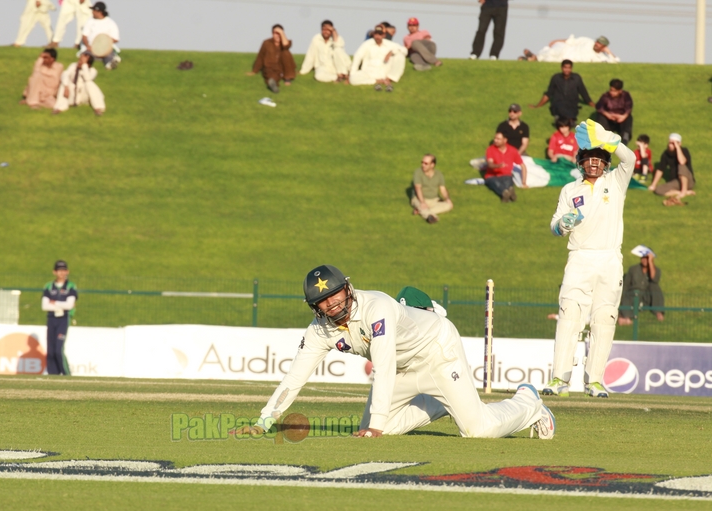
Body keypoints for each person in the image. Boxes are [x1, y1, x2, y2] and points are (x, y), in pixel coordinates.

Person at [231, 265, 555, 439]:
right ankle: (444, 403)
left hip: (436, 353)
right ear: (316, 307)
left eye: (336, 294)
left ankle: (529, 403)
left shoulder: (378, 307)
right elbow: (295, 376)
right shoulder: (320, 330)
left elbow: (382, 367)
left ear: (347, 288)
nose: (333, 303)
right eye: (323, 301)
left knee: (477, 431)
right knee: (382, 428)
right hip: (402, 371)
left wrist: (375, 426)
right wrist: (264, 421)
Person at [544, 119, 636, 399]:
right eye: (588, 158)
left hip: (609, 259)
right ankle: (559, 378)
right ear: (580, 162)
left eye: (599, 159)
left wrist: (609, 139)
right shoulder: (570, 190)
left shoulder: (616, 182)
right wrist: (563, 224)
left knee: (604, 318)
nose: (594, 163)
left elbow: (630, 158)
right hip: (580, 258)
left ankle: (594, 381)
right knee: (570, 314)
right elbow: (554, 225)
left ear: (606, 163)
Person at [42, 260, 78, 376]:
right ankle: (53, 375)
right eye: (59, 270)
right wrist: (61, 304)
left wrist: (54, 302)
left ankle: (67, 375)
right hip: (51, 318)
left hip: (63, 318)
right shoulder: (48, 286)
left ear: (67, 271)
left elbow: (70, 304)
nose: (61, 273)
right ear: (54, 272)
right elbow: (44, 306)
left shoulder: (70, 286)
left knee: (58, 349)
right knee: (51, 350)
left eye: (64, 270)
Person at [349, 25, 407, 91]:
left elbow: (404, 50)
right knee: (353, 79)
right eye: (376, 34)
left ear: (384, 35)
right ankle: (376, 81)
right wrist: (352, 73)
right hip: (368, 72)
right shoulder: (367, 43)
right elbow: (358, 56)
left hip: (384, 72)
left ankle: (390, 79)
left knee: (400, 55)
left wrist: (391, 52)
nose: (377, 36)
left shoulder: (390, 44)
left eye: (380, 34)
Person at [647, 133, 695, 206]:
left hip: (688, 180)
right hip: (676, 181)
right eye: (670, 143)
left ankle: (684, 191)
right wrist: (653, 185)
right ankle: (682, 192)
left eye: (673, 143)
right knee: (658, 190)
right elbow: (660, 170)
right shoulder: (666, 154)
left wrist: (677, 148)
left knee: (681, 166)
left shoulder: (684, 151)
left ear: (679, 144)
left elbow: (682, 161)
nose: (671, 145)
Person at [618, 251, 664, 325]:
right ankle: (625, 317)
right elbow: (626, 284)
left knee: (655, 287)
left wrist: (650, 262)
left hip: (646, 295)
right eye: (643, 258)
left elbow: (654, 279)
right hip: (634, 293)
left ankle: (658, 312)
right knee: (629, 295)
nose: (644, 260)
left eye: (647, 258)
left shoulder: (655, 270)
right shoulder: (633, 269)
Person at [248, 24, 297, 94]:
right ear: (272, 34)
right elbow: (260, 57)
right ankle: (273, 85)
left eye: (279, 33)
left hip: (283, 68)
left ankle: (287, 78)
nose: (277, 35)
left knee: (286, 52)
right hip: (270, 68)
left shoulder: (286, 42)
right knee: (271, 77)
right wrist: (254, 71)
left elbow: (286, 46)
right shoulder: (266, 43)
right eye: (275, 33)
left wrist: (281, 33)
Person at [410, 154, 452, 224]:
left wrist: (447, 199)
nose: (423, 165)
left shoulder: (438, 174)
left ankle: (420, 211)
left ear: (432, 165)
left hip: (434, 200)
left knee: (449, 205)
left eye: (426, 163)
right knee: (423, 207)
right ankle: (431, 217)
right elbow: (418, 188)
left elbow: (443, 189)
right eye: (422, 162)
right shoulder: (418, 172)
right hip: (418, 199)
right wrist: (422, 202)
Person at [484, 132, 525, 202]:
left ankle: (507, 192)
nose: (495, 140)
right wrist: (498, 165)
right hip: (492, 175)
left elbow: (523, 166)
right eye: (495, 138)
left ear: (505, 140)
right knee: (495, 183)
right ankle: (506, 192)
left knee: (507, 181)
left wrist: (524, 182)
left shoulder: (513, 150)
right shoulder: (490, 149)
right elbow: (490, 165)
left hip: (506, 175)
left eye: (498, 139)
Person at [81, 2, 121, 70]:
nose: (92, 12)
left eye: (94, 10)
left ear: (99, 12)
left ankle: (110, 63)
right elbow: (84, 36)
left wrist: (105, 42)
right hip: (91, 48)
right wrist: (88, 46)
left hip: (105, 48)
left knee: (108, 56)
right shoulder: (90, 21)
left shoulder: (110, 23)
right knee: (85, 56)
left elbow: (116, 39)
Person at [594, 79, 633, 145]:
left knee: (629, 118)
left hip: (621, 118)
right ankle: (603, 136)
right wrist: (608, 115)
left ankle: (625, 138)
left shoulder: (625, 96)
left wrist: (623, 117)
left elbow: (629, 107)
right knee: (600, 117)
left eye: (614, 91)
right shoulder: (605, 96)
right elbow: (599, 107)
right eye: (611, 90)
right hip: (609, 118)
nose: (612, 92)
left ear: (620, 91)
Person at [531, 35, 618, 64]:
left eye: (599, 44)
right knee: (551, 51)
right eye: (597, 41)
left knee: (548, 60)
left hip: (566, 60)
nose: (596, 44)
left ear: (603, 47)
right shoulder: (587, 41)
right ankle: (533, 57)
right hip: (565, 49)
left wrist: (609, 52)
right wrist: (556, 40)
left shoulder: (601, 58)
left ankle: (528, 59)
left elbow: (615, 61)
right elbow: (572, 41)